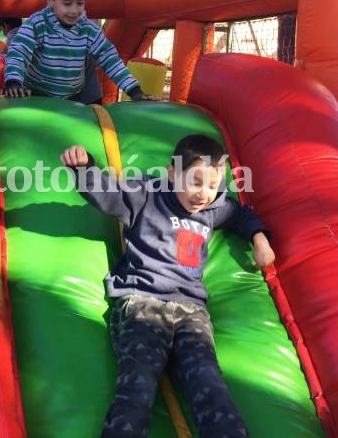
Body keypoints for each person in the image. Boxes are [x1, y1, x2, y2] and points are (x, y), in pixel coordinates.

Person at [60, 134, 275, 438]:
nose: (204, 194)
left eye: (213, 186)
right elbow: (109, 194)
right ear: (172, 173)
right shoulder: (149, 193)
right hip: (142, 302)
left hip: (192, 312)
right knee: (137, 386)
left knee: (210, 386)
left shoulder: (212, 207)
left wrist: (259, 238)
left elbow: (239, 213)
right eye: (195, 182)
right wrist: (84, 169)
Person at [4, 0, 151, 102]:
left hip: (71, 97)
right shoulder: (38, 24)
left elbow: (109, 58)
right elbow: (19, 51)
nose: (74, 11)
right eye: (67, 4)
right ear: (51, 1)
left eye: (80, 3)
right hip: (37, 94)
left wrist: (134, 90)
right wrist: (13, 81)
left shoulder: (88, 30)